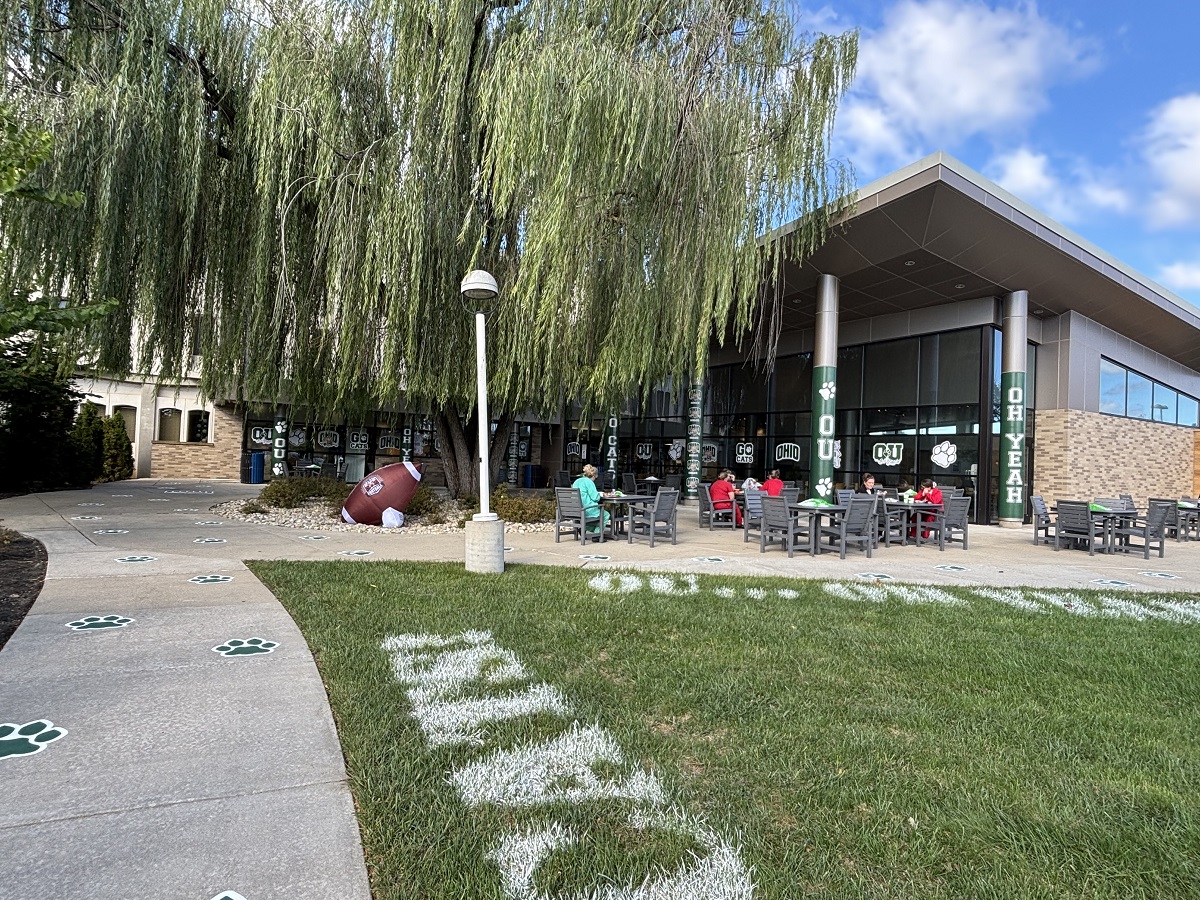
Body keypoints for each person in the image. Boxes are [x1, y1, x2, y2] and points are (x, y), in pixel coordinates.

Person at [572, 464, 611, 536]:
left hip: (576, 509)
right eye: (595, 478)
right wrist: (601, 494)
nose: (595, 480)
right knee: (605, 515)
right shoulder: (589, 482)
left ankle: (584, 528)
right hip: (587, 509)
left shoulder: (577, 481)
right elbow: (595, 498)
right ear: (594, 476)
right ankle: (597, 534)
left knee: (598, 516)